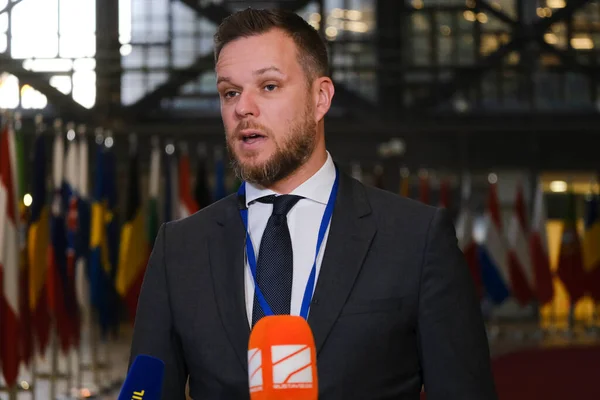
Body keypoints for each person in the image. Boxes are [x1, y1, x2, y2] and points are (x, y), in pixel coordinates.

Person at [129, 8, 498, 400]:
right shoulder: (180, 248)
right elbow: (147, 391)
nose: (243, 108)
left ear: (320, 97)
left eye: (268, 86)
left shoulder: (416, 239)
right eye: (230, 92)